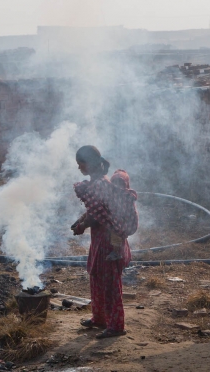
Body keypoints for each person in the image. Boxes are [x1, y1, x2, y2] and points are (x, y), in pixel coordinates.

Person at [71, 145, 137, 339]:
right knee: (97, 279)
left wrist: (83, 225)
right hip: (100, 240)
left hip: (110, 241)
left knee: (109, 285)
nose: (79, 168)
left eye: (80, 164)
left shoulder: (100, 184)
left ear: (88, 163)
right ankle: (99, 318)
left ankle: (116, 326)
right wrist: (81, 221)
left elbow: (99, 216)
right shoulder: (97, 183)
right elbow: (94, 211)